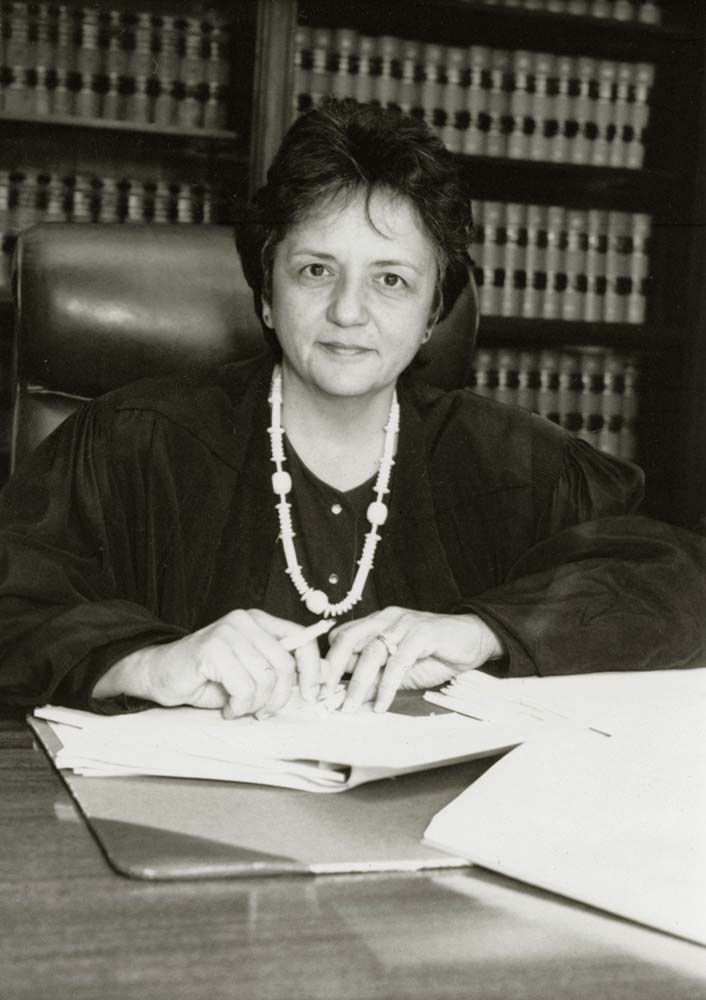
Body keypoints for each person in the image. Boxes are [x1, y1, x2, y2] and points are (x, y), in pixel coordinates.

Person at [0, 99, 704, 721]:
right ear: (267, 294)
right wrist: (146, 664)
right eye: (315, 270)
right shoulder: (134, 443)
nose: (347, 311)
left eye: (391, 280)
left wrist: (487, 630)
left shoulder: (518, 462)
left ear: (433, 314)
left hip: (429, 838)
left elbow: (676, 584)